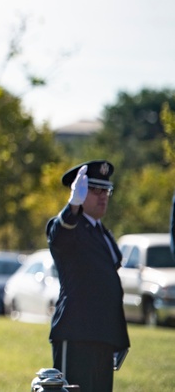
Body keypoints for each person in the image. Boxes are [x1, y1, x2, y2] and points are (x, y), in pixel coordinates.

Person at [46, 160, 130, 392]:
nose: (102, 196)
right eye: (94, 190)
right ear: (80, 192)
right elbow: (58, 237)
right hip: (76, 334)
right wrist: (73, 206)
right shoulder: (68, 226)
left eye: (106, 190)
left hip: (103, 335)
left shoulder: (100, 231)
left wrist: (118, 336)